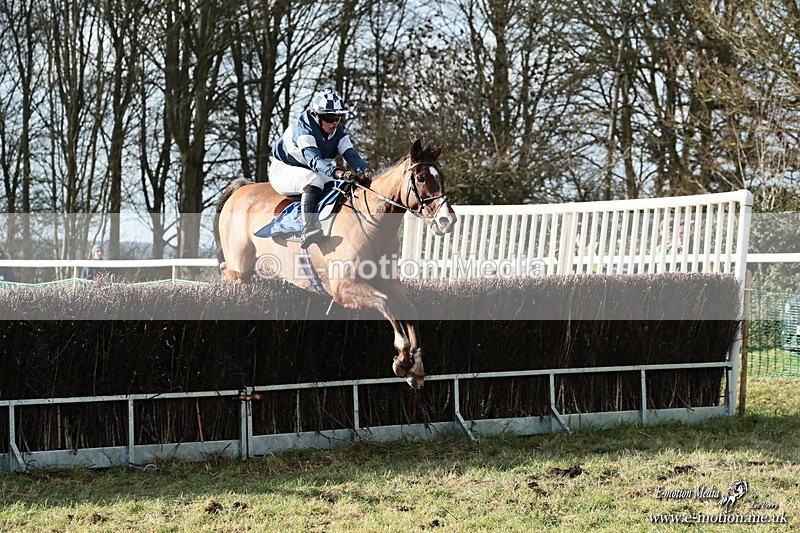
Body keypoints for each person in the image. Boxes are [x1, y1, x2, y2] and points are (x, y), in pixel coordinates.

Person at [270, 88, 373, 248]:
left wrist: (365, 170)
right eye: (330, 117)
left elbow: (350, 154)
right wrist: (338, 172)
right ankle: (308, 229)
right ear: (316, 116)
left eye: (338, 117)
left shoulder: (337, 131)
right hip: (284, 170)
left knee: (341, 185)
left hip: (311, 170)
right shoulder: (304, 128)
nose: (335, 122)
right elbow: (315, 161)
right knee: (313, 180)